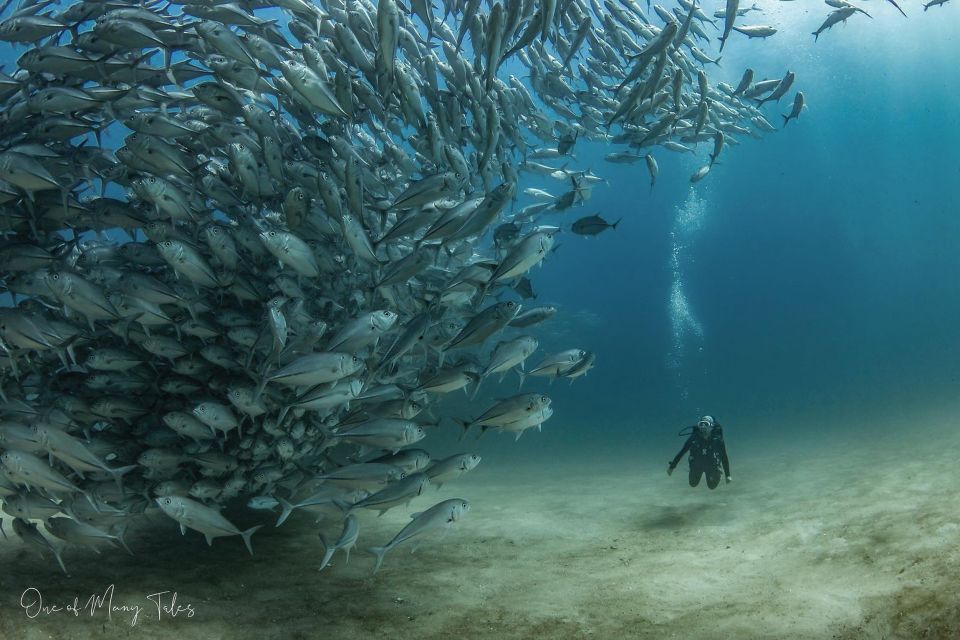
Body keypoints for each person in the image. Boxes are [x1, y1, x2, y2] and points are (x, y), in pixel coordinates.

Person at [667, 415, 731, 489]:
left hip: (712, 465)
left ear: (712, 427)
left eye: (706, 424)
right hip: (696, 465)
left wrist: (728, 475)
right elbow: (682, 452)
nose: (703, 427)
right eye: (701, 424)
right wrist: (672, 467)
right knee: (693, 484)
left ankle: (717, 471)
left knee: (712, 486)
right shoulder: (693, 438)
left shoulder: (718, 440)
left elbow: (724, 456)